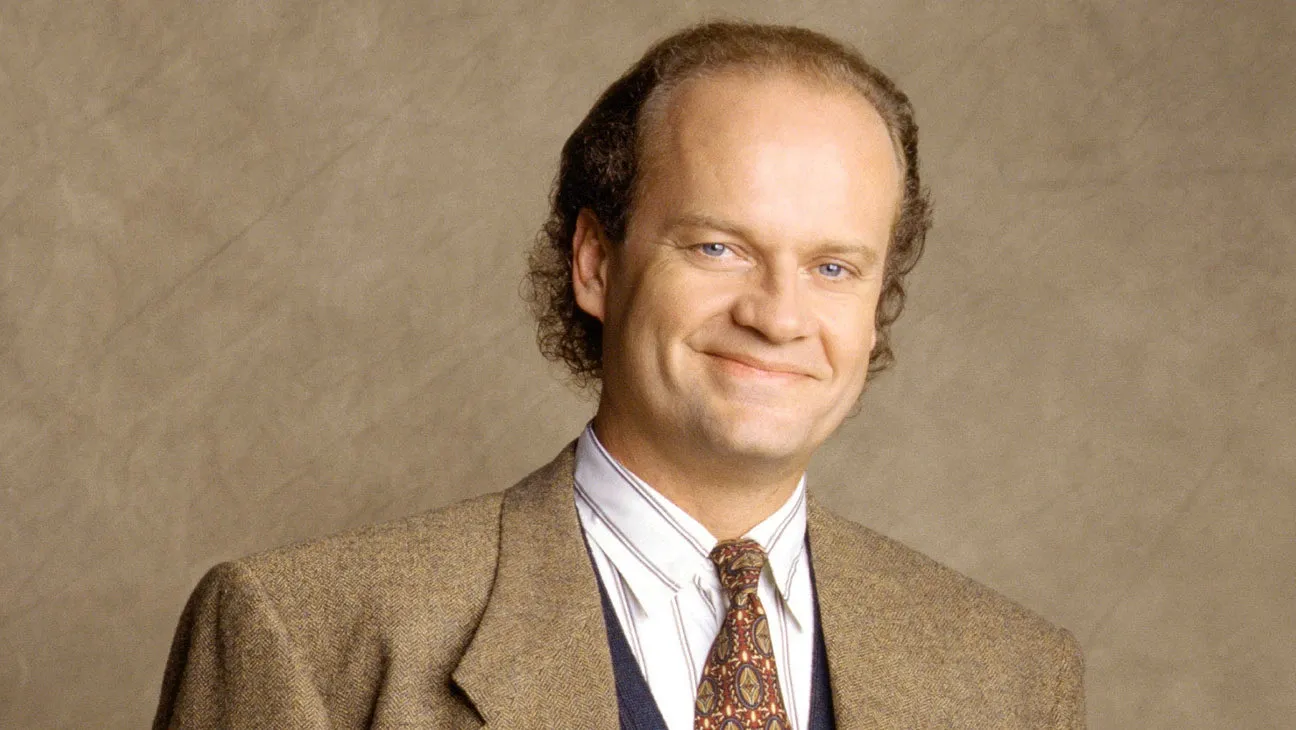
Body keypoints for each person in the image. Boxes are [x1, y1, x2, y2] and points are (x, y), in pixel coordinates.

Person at [154, 21, 1084, 730]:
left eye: (833, 267)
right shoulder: (307, 639)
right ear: (596, 262)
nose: (778, 315)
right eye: (718, 247)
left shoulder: (1015, 680)